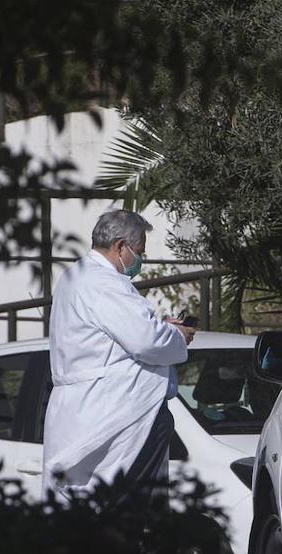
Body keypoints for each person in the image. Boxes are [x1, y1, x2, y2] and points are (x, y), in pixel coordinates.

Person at [42, 210, 194, 501]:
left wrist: (161, 328)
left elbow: (119, 336)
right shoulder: (103, 283)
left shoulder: (78, 276)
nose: (140, 261)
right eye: (139, 252)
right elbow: (146, 341)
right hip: (117, 411)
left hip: (90, 406)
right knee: (128, 509)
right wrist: (178, 336)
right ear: (121, 246)